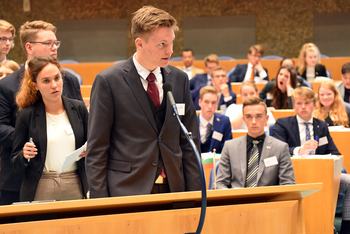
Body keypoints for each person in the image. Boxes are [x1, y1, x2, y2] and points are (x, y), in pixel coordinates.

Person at [85, 6, 201, 198]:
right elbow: (97, 148)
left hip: (174, 189)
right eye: (162, 44)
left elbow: (190, 142)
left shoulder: (179, 79)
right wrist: (101, 204)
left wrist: (195, 195)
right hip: (127, 190)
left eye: (171, 42)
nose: (170, 50)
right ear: (140, 43)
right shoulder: (109, 81)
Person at [0, 20, 82, 205]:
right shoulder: (6, 85)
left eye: (56, 43)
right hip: (19, 178)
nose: (54, 48)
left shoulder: (68, 80)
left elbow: (80, 120)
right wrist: (39, 137)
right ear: (29, 47)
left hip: (67, 176)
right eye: (48, 43)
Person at [272, 86, 350, 234]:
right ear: (294, 105)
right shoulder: (283, 124)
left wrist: (326, 160)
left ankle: (345, 230)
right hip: (294, 176)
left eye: (307, 103)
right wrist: (300, 150)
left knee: (349, 181)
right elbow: (276, 151)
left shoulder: (321, 126)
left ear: (314, 105)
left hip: (322, 176)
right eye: (299, 103)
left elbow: (335, 152)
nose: (303, 107)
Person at [11, 56, 88, 202]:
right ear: (35, 85)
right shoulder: (26, 115)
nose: (54, 85)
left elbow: (93, 146)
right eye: (46, 81)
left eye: (57, 78)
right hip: (41, 185)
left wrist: (88, 151)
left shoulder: (78, 108)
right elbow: (15, 163)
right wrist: (24, 155)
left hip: (75, 184)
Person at [216, 96, 295, 189]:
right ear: (243, 119)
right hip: (237, 201)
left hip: (267, 201)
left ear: (266, 118)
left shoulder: (280, 148)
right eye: (249, 117)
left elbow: (288, 184)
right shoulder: (230, 147)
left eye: (258, 116)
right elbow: (220, 183)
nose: (253, 121)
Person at [197, 86, 232, 154]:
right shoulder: (190, 122)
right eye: (206, 102)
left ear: (217, 104)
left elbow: (227, 150)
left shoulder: (224, 122)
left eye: (213, 103)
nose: (210, 106)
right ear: (200, 102)